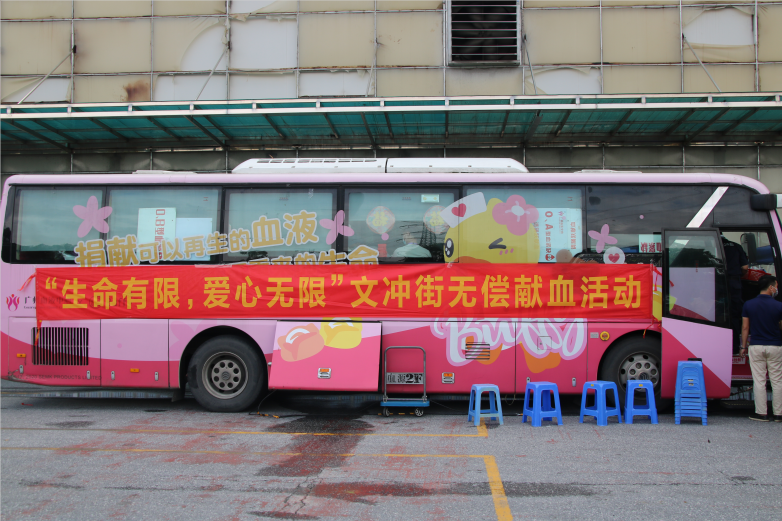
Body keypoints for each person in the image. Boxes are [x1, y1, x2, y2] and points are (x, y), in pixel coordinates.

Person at [740, 274, 782, 422]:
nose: (776, 289)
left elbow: (745, 327)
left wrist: (743, 346)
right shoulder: (779, 306)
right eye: (776, 286)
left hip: (756, 346)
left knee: (759, 381)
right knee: (777, 381)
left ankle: (761, 413)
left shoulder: (749, 304)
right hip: (775, 346)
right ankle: (778, 414)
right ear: (771, 287)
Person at [723, 235, 749, 353]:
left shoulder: (711, 245)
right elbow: (745, 267)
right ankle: (734, 347)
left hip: (716, 283)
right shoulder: (736, 246)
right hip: (734, 283)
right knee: (733, 314)